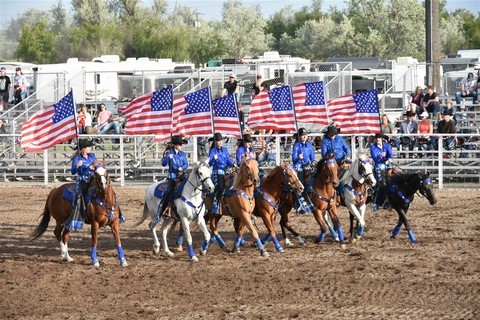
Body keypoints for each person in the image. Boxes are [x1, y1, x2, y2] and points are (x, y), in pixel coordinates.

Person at [65, 139, 98, 231]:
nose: (90, 149)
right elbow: (73, 172)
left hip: (93, 179)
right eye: (88, 147)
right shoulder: (77, 158)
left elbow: (97, 165)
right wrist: (77, 166)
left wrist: (95, 166)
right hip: (82, 180)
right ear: (83, 149)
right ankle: (77, 216)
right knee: (79, 196)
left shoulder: (92, 156)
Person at [159, 135, 189, 218]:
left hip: (181, 175)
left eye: (181, 144)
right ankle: (164, 209)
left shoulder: (183, 154)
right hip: (172, 176)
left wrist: (181, 168)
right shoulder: (169, 153)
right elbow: (163, 164)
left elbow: (186, 164)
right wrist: (168, 158)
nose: (181, 146)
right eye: (179, 144)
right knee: (169, 191)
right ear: (175, 145)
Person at [208, 132, 234, 214]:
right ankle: (216, 204)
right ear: (215, 142)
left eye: (221, 141)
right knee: (220, 186)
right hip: (217, 171)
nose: (220, 142)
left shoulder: (225, 150)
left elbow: (228, 160)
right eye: (218, 141)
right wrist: (213, 159)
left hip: (226, 170)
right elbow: (209, 164)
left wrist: (234, 164)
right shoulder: (212, 151)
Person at [292, 128, 316, 214]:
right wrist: (298, 157)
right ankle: (299, 206)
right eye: (302, 135)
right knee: (300, 186)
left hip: (308, 166)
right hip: (299, 167)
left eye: (305, 135)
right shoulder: (296, 145)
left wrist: (313, 161)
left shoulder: (309, 145)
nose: (304, 137)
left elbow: (312, 156)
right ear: (299, 137)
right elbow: (293, 159)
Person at [370, 133, 394, 213]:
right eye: (376, 138)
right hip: (379, 167)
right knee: (382, 184)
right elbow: (375, 159)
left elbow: (391, 155)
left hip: (388, 166)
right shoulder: (373, 147)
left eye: (379, 138)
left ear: (381, 139)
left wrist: (388, 159)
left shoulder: (386, 145)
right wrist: (384, 158)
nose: (378, 139)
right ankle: (376, 203)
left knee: (395, 179)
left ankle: (392, 201)